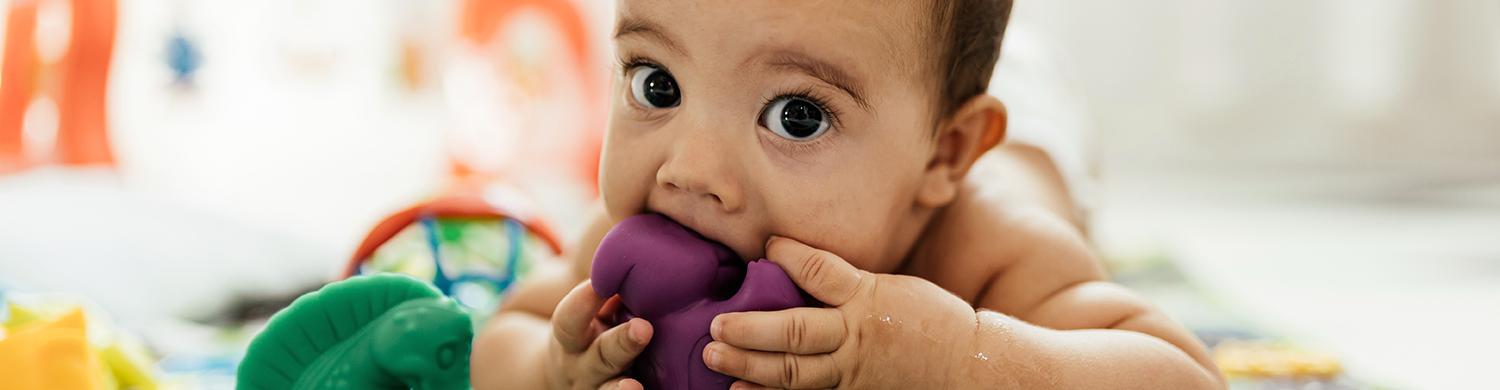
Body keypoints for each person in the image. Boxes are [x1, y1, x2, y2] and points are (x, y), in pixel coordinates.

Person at [472, 1, 1222, 388]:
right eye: (656, 84)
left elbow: (1183, 378)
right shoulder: (635, 231)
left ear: (946, 154)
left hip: (1028, 135)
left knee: (1012, 121)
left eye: (797, 116)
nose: (690, 171)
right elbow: (508, 332)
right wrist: (551, 371)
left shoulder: (985, 252)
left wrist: (961, 359)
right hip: (905, 94)